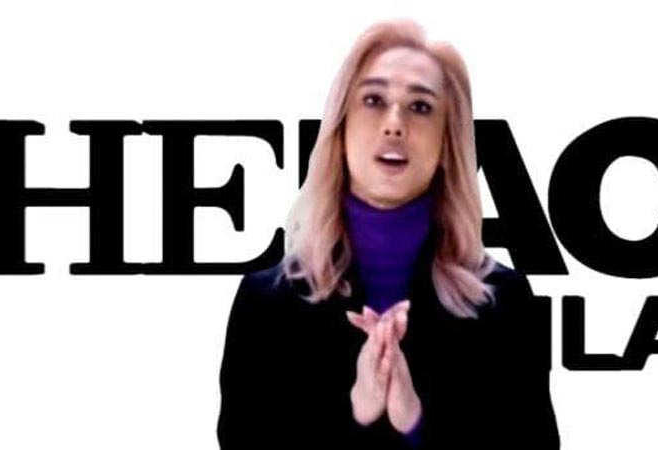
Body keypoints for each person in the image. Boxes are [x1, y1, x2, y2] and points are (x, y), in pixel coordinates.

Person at [216, 18, 559, 449]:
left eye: (420, 107)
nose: (394, 123)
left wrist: (414, 419)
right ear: (341, 129)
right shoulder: (266, 303)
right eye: (374, 100)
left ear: (446, 144)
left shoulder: (505, 304)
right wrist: (358, 411)